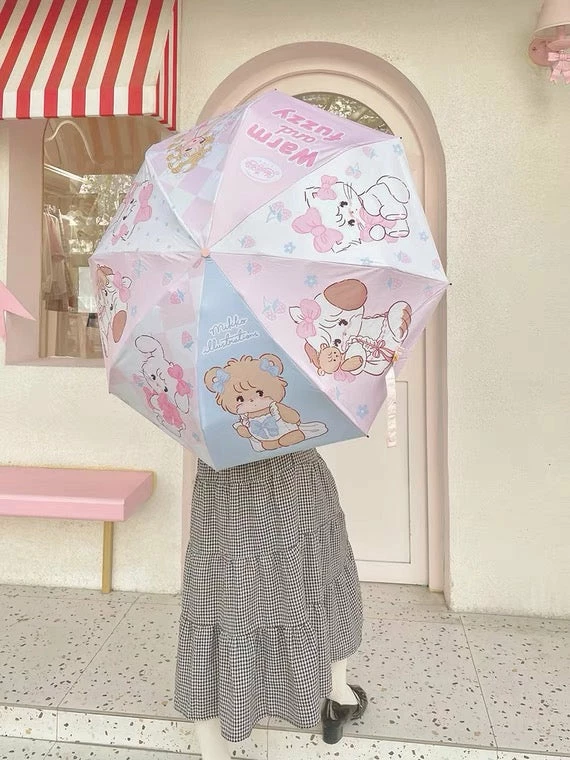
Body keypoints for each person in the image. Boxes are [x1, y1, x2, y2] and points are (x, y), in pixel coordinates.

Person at [174, 449, 367, 759]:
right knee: (318, 579)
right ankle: (338, 696)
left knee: (215, 603)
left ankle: (213, 752)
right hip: (297, 476)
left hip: (224, 492)